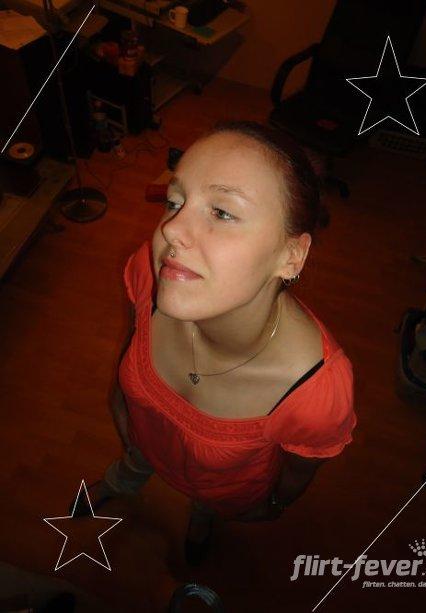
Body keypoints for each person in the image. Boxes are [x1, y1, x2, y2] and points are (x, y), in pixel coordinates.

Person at [70, 120, 357, 566]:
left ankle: (202, 517)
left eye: (222, 212)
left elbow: (297, 475)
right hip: (145, 440)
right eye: (174, 202)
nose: (171, 231)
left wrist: (275, 505)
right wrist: (120, 397)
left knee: (208, 498)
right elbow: (134, 338)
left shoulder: (316, 393)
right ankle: (119, 482)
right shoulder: (151, 271)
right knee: (134, 461)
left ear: (291, 255)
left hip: (221, 488)